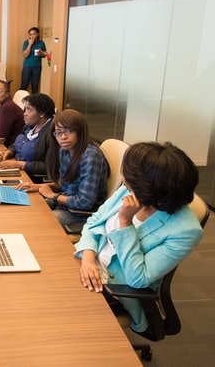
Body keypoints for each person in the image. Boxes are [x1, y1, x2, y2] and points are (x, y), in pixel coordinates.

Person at [74, 141, 203, 338]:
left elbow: (138, 278)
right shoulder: (130, 190)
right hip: (88, 265)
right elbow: (93, 222)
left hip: (115, 289)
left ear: (148, 185)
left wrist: (125, 222)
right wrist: (88, 258)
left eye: (128, 175)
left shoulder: (185, 230)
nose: (123, 178)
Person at [18, 109, 108, 230]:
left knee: (36, 221)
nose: (63, 137)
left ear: (80, 132)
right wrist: (37, 186)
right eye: (58, 133)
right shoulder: (64, 151)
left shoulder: (90, 157)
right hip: (65, 203)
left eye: (69, 131)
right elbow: (64, 183)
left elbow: (85, 202)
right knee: (28, 207)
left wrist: (52, 195)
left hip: (81, 214)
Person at [0, 92, 55, 181]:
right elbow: (19, 143)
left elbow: (49, 166)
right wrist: (8, 152)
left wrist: (19, 164)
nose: (24, 114)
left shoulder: (53, 133)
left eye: (29, 110)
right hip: (18, 171)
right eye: (25, 109)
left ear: (42, 113)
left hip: (31, 179)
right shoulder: (30, 126)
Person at [0, 79, 24, 145]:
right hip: (1, 145)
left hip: (11, 147)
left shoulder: (7, 107)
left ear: (7, 94)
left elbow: (0, 137)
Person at [21, 27, 47, 93]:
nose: (32, 36)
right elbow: (25, 55)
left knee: (35, 87)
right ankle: (19, 101)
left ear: (37, 34)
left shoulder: (41, 43)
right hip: (27, 66)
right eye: (30, 34)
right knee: (24, 86)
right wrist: (30, 44)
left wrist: (42, 53)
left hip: (37, 66)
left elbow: (45, 54)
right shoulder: (26, 43)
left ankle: (35, 103)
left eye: (34, 34)